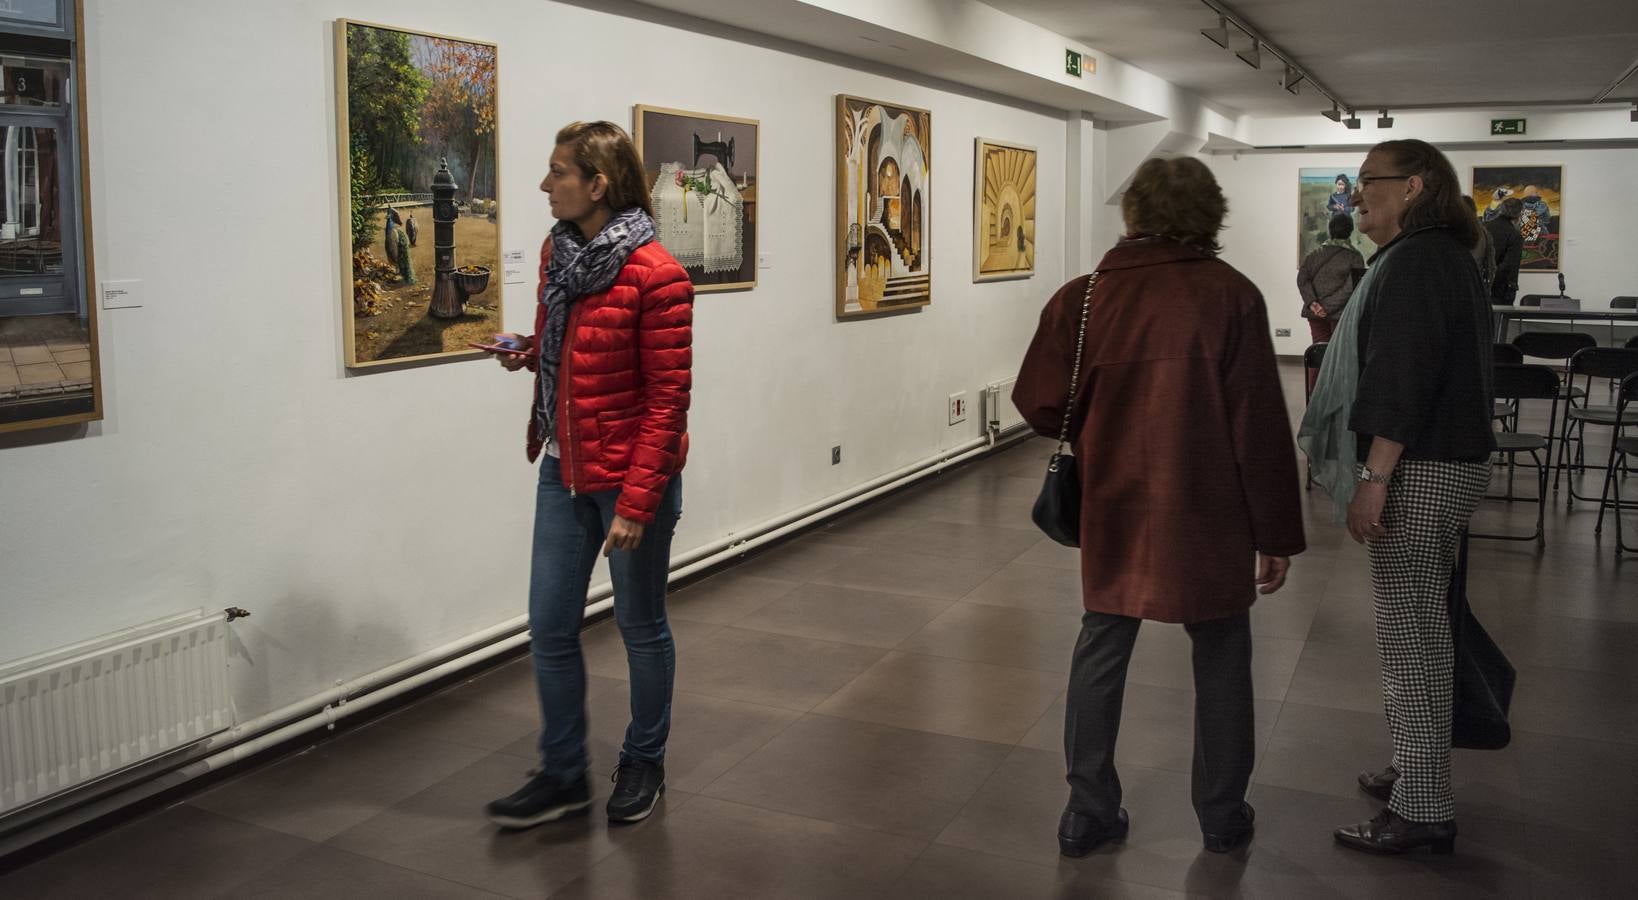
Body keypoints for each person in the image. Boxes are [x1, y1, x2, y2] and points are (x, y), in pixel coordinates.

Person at [1013, 157, 1305, 859]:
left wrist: (1097, 426)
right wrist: (1276, 532)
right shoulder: (1232, 295)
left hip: (1113, 502)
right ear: (1210, 216)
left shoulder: (1083, 299)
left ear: (1134, 214)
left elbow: (1038, 401)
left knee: (1102, 643)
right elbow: (1258, 424)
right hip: (1208, 508)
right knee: (1223, 649)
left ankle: (1087, 811)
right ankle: (1222, 814)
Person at [482, 121, 693, 830]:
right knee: (548, 626)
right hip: (565, 467)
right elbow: (565, 339)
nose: (545, 185)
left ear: (597, 184)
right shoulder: (560, 253)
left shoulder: (659, 275)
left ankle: (643, 760)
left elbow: (667, 402)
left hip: (632, 480)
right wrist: (527, 348)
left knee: (640, 626)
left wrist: (636, 504)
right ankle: (564, 772)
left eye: (557, 172)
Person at [1300, 139, 1494, 855]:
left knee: (1411, 640)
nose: (1357, 199)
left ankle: (1421, 809)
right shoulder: (1447, 256)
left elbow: (1402, 379)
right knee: (1425, 628)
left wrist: (1374, 480)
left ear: (1414, 186)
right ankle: (1414, 769)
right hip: (1450, 463)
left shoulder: (1415, 264)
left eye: (1370, 184)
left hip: (1421, 468)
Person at [1298, 213, 1366, 344]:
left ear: (1330, 230)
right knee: (1338, 354)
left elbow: (1302, 280)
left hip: (1315, 313)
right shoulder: (1354, 256)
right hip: (1341, 314)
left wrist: (1314, 304)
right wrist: (1327, 307)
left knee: (1318, 352)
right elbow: (1351, 287)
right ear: (1350, 231)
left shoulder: (1313, 255)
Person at [1486, 197, 1524, 305]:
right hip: (1503, 289)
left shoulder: (1484, 227)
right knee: (1500, 320)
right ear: (1518, 214)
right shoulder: (1515, 235)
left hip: (1481, 284)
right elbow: (1508, 265)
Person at [1461, 195, 1495, 294]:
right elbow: (1490, 266)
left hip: (1462, 287)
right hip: (1477, 286)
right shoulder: (1483, 232)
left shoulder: (1452, 231)